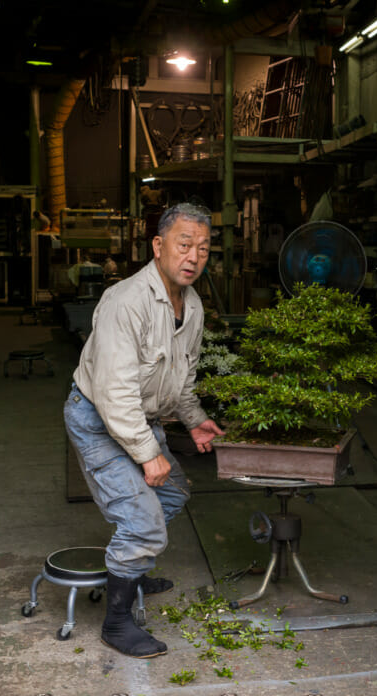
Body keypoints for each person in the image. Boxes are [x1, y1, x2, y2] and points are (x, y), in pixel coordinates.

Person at [64, 202, 225, 658]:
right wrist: (146, 453)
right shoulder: (126, 301)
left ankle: (131, 563)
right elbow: (115, 394)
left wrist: (194, 421)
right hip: (99, 420)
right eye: (184, 245)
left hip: (140, 419)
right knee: (143, 520)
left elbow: (182, 377)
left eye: (203, 249)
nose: (193, 257)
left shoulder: (191, 306)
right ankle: (116, 623)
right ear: (158, 247)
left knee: (172, 495)